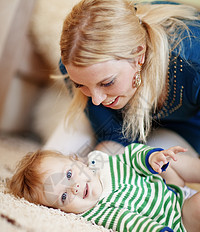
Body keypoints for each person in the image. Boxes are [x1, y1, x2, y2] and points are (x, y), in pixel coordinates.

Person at [44, 0, 200, 157]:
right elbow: (114, 134)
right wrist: (101, 161)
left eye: (107, 83)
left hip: (191, 124)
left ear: (139, 55)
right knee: (49, 170)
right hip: (127, 120)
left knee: (159, 166)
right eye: (80, 85)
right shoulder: (78, 70)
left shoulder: (192, 64)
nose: (97, 100)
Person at [8, 143, 200, 232]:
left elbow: (131, 156)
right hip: (180, 221)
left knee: (172, 160)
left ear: (78, 162)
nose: (73, 188)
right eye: (64, 197)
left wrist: (151, 158)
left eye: (68, 175)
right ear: (62, 211)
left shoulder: (104, 165)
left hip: (172, 192)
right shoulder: (101, 212)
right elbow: (133, 223)